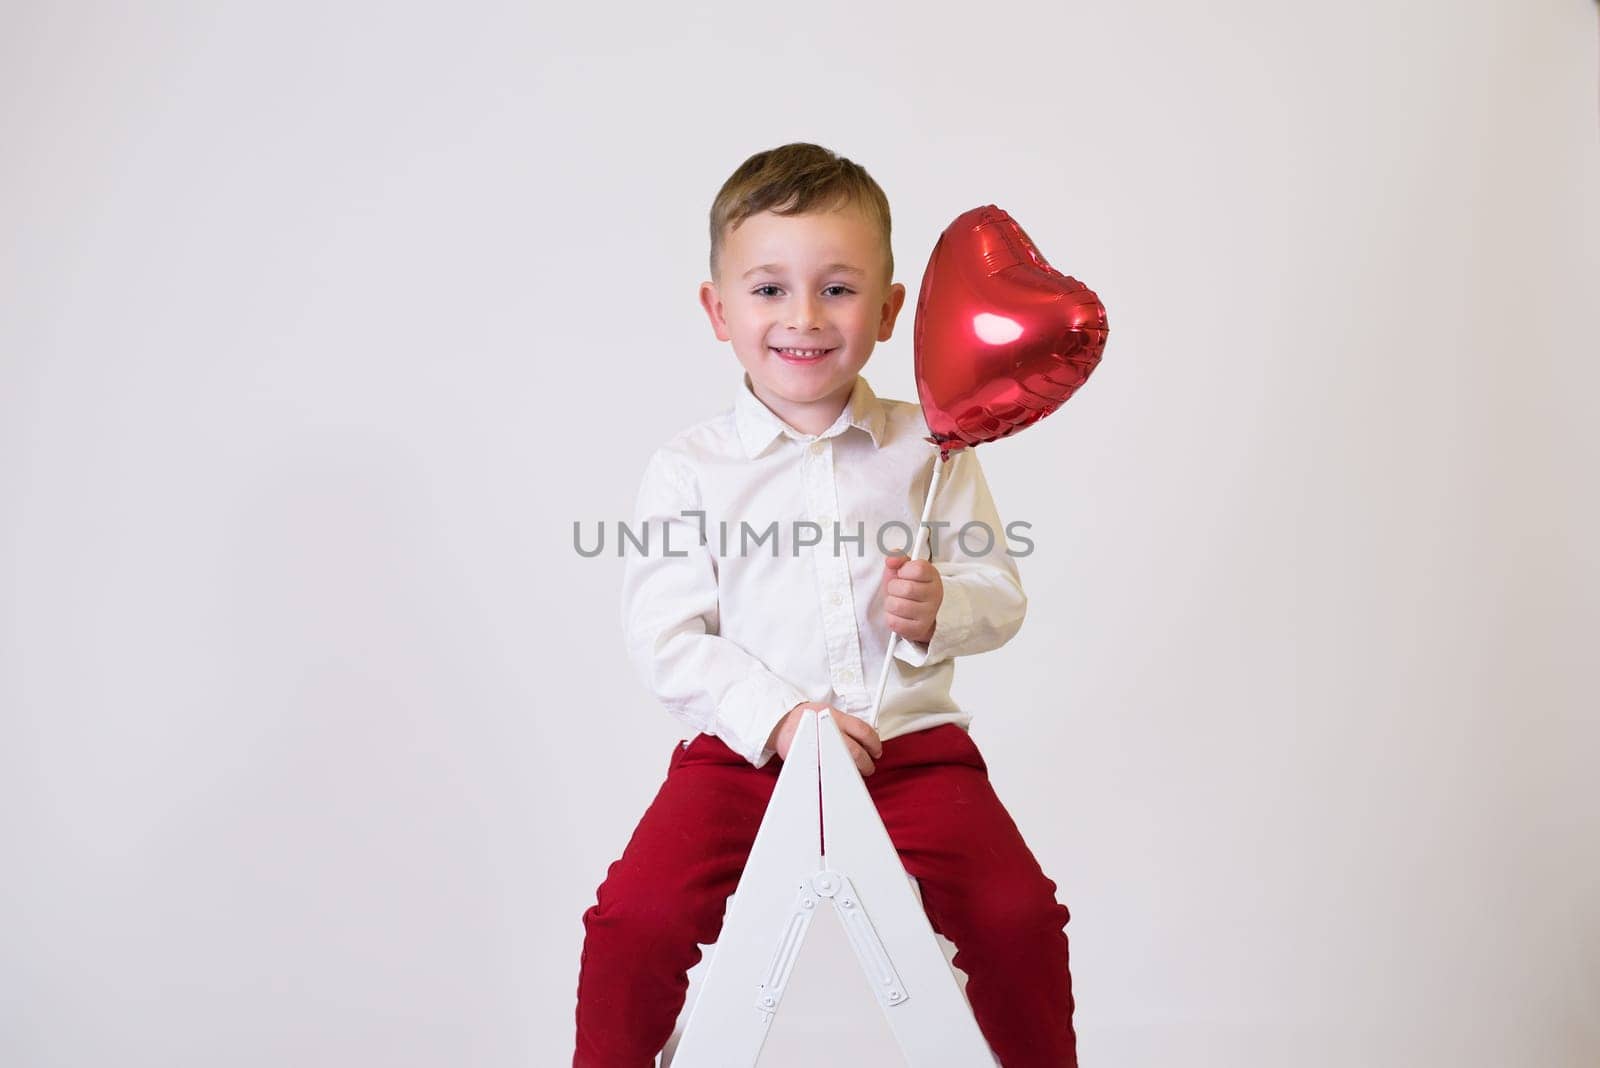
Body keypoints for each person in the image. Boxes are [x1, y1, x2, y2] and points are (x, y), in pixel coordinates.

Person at [572, 142, 1078, 1067]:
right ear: (717, 310)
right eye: (768, 290)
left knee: (1020, 917)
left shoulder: (933, 449)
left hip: (912, 759)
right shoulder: (690, 468)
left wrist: (942, 609)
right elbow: (666, 635)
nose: (803, 316)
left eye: (838, 289)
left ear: (888, 312)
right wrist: (780, 721)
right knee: (632, 920)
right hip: (739, 766)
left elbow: (1000, 597)